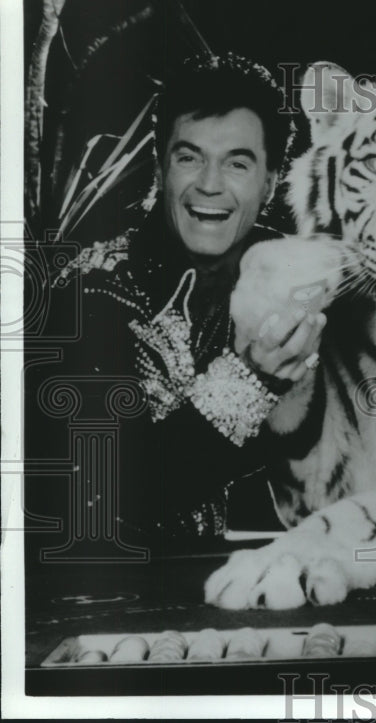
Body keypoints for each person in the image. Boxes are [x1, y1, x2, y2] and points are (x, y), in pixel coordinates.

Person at [26, 52, 325, 547]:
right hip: (117, 597)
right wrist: (251, 379)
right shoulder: (88, 295)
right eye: (189, 158)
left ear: (270, 183)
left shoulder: (297, 279)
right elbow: (106, 493)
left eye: (237, 163)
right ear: (161, 169)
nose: (209, 184)